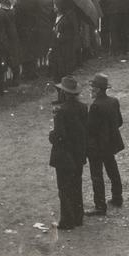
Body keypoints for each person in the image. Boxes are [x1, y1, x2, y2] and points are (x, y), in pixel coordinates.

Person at [48, 76, 88, 231]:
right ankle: (78, 217)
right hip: (78, 153)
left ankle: (67, 220)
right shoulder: (83, 107)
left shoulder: (61, 111)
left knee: (64, 188)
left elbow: (59, 136)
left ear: (64, 93)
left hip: (64, 155)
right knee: (76, 185)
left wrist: (51, 135)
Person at [86, 73, 124, 216]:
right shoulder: (114, 101)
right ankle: (117, 197)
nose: (91, 89)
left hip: (97, 147)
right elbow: (119, 122)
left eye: (92, 87)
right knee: (112, 170)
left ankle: (100, 206)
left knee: (97, 175)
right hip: (110, 144)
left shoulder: (95, 106)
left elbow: (90, 129)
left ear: (97, 89)